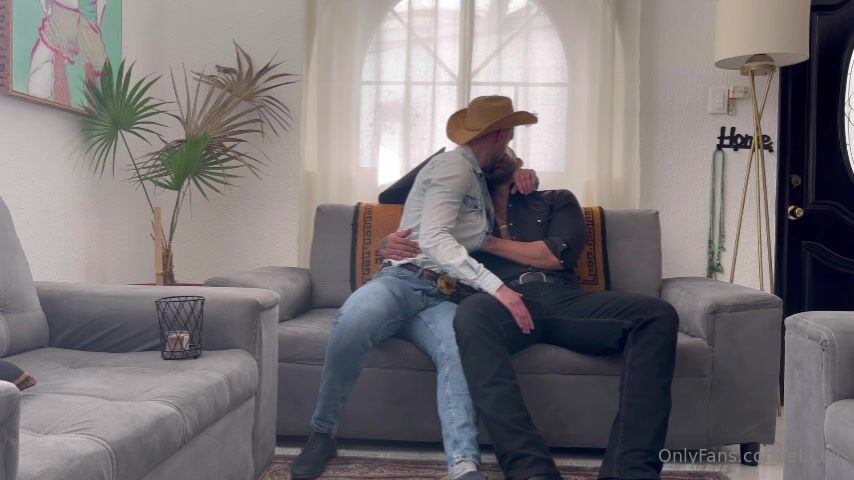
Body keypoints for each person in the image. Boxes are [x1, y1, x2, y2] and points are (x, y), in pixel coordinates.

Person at [379, 149, 679, 480]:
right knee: (469, 315)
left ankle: (630, 470)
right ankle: (531, 471)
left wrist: (485, 241)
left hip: (562, 299)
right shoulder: (462, 210)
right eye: (487, 149)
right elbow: (394, 197)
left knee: (656, 314)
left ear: (519, 161)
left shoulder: (556, 200)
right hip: (497, 303)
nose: (496, 152)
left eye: (505, 147)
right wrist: (385, 244)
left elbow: (555, 256)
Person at [290, 96, 538, 480]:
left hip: (444, 297)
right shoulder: (454, 167)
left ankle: (464, 465)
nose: (510, 147)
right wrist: (499, 289)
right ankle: (322, 434)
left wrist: (521, 171)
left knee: (459, 350)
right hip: (401, 282)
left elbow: (427, 208)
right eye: (509, 137)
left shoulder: (478, 174)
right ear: (502, 134)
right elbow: (435, 238)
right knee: (353, 321)